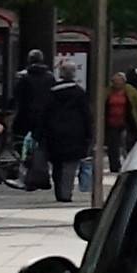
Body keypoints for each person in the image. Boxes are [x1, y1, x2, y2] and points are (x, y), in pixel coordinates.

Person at [32, 64, 97, 204]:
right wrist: (89, 134)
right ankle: (66, 193)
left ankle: (59, 190)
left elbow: (43, 114)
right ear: (73, 74)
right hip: (75, 134)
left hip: (54, 134)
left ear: (60, 74)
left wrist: (39, 134)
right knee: (70, 165)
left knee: (57, 164)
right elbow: (87, 116)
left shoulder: (51, 92)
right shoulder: (79, 93)